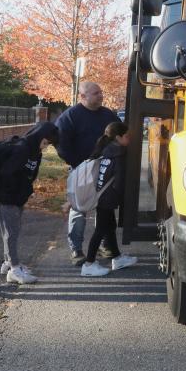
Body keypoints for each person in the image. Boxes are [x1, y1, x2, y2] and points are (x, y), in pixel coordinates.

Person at [54, 81, 121, 265]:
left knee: (105, 208)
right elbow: (61, 145)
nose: (101, 95)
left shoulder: (108, 114)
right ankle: (76, 250)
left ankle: (106, 245)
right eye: (96, 93)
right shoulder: (70, 117)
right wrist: (79, 164)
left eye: (101, 92)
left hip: (105, 168)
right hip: (81, 169)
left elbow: (119, 136)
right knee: (78, 209)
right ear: (82, 97)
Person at [0, 122, 60, 285]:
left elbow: (30, 174)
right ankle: (14, 270)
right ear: (38, 136)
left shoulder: (35, 152)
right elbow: (7, 174)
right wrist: (19, 190)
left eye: (48, 144)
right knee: (11, 233)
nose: (44, 147)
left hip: (17, 197)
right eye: (44, 143)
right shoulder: (21, 149)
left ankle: (8, 262)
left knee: (11, 231)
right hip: (7, 197)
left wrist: (25, 191)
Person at [80, 122, 138, 277]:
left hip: (102, 195)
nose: (129, 140)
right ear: (118, 137)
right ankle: (89, 264)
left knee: (109, 226)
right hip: (108, 198)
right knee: (100, 230)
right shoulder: (119, 154)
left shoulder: (106, 151)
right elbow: (119, 182)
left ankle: (117, 258)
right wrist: (123, 199)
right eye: (127, 137)